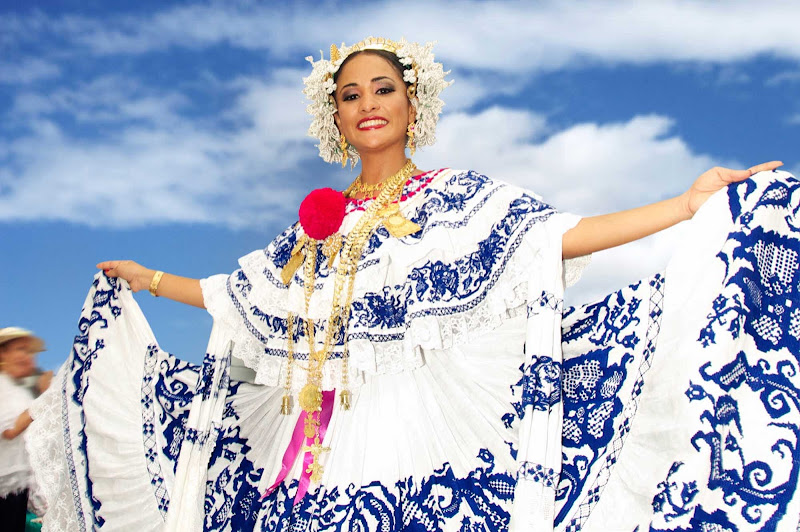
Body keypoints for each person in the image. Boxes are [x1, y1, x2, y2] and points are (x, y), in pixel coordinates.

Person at [29, 37, 794, 531]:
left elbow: (559, 236)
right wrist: (150, 280)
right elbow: (244, 295)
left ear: (411, 103)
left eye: (382, 89)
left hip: (428, 433)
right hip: (312, 447)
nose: (367, 104)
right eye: (350, 94)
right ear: (334, 116)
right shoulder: (313, 229)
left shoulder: (457, 198)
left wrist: (687, 206)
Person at [0, 327, 49, 531]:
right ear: (3, 353)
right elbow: (10, 430)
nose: (27, 357)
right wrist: (45, 399)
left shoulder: (20, 393)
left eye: (29, 352)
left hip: (18, 492)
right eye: (21, 349)